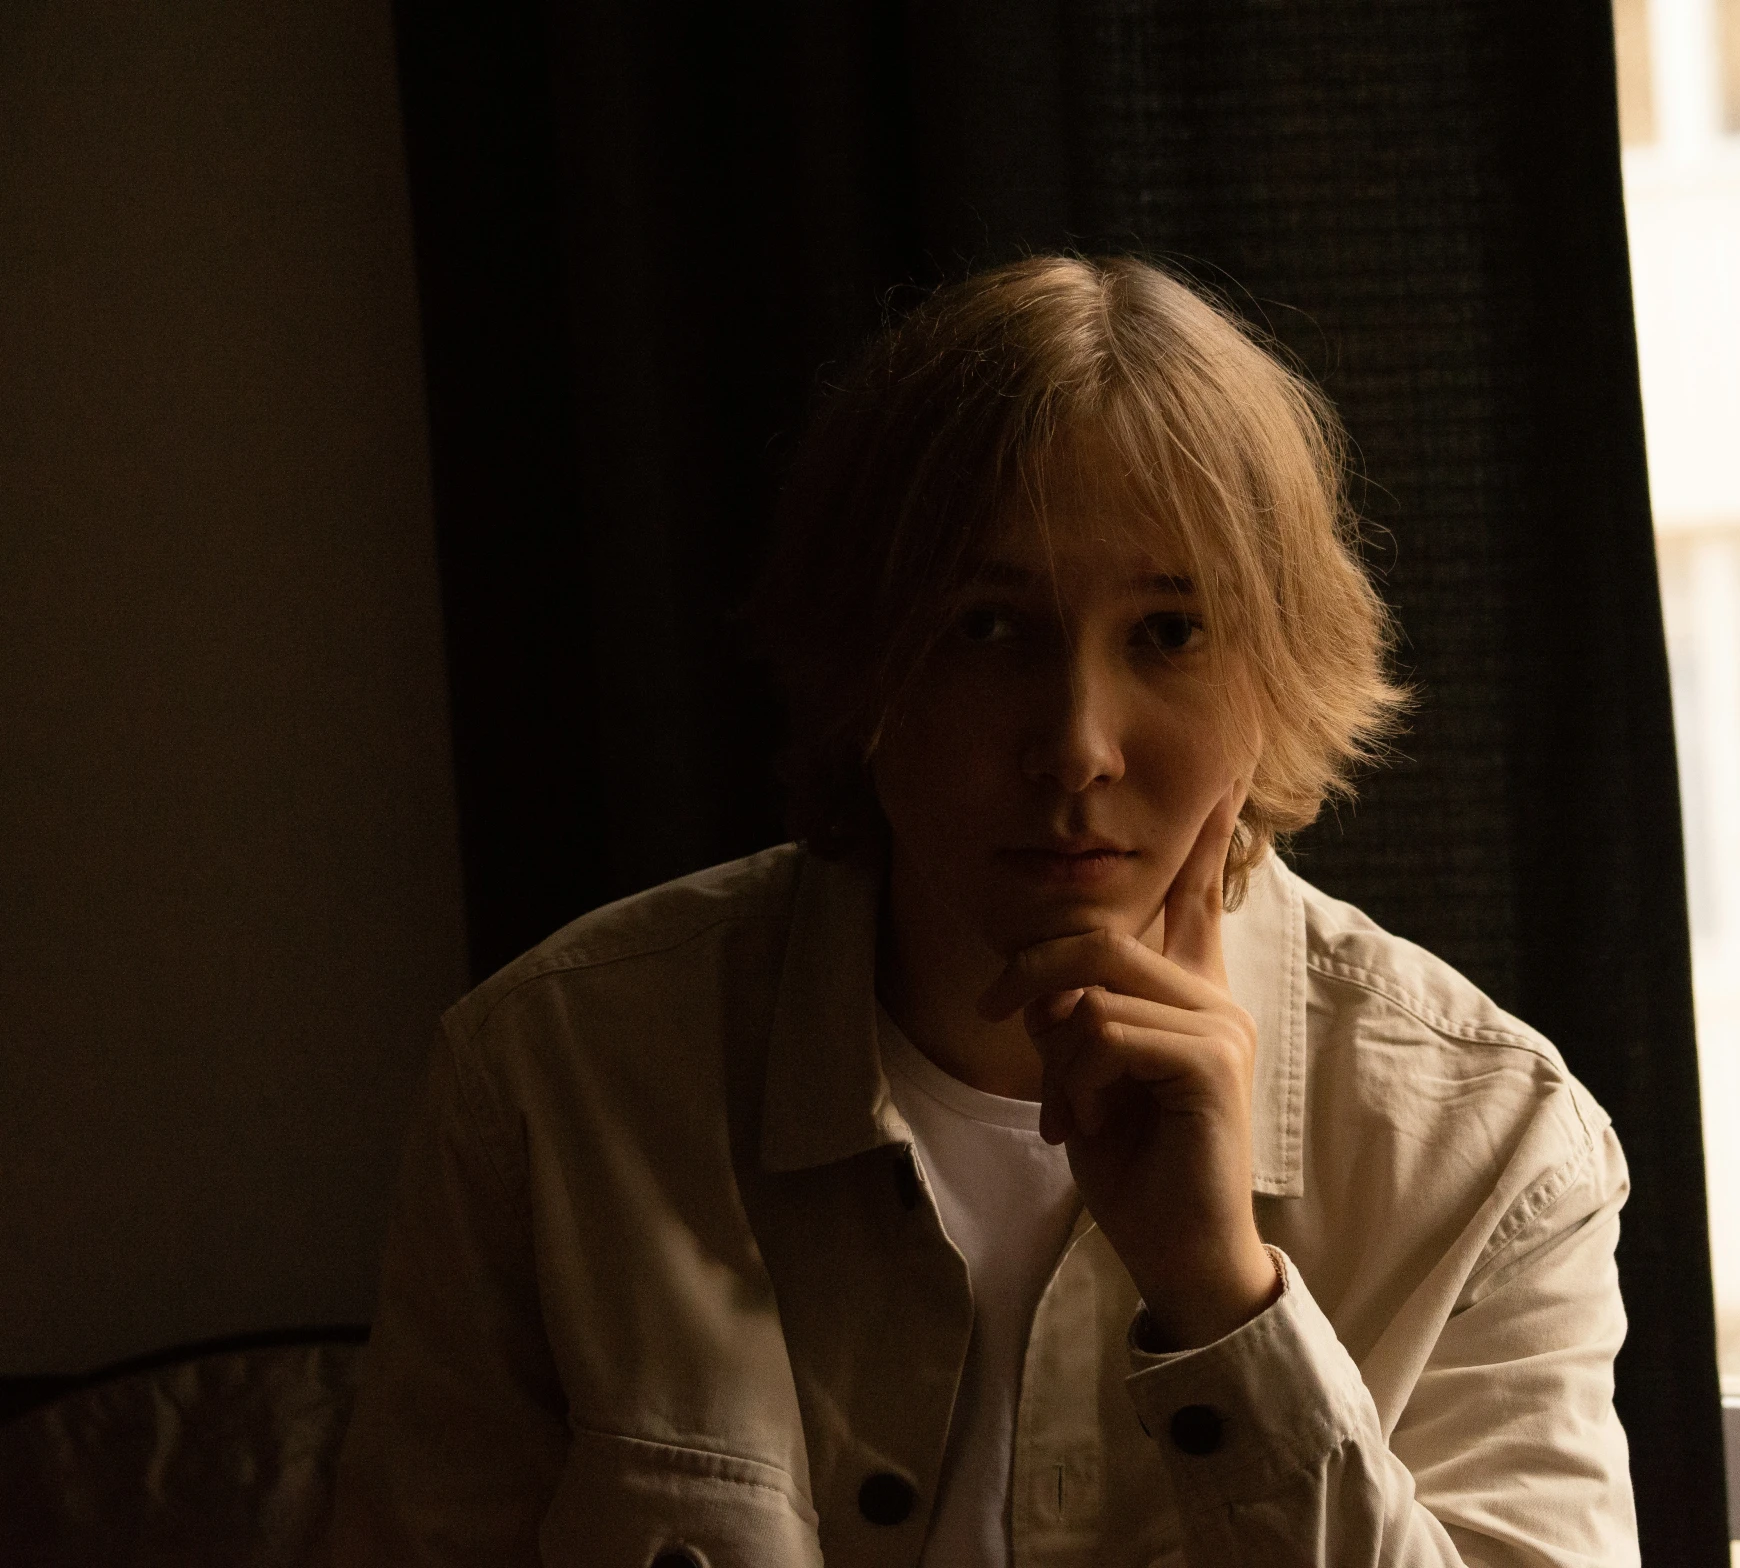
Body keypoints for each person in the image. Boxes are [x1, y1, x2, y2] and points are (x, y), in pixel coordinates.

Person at [329, 255, 1638, 1567]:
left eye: (1171, 632)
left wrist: (1225, 1301)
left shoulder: (1492, 1153)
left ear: (1276, 675)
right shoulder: (558, 1077)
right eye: (989, 631)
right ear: (866, 663)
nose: (1075, 748)